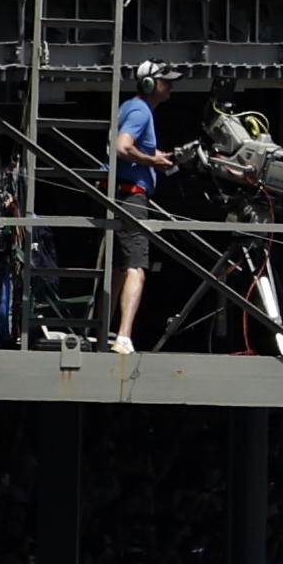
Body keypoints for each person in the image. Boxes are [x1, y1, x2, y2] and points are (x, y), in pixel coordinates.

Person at [109, 62, 167, 353]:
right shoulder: (140, 110)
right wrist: (152, 162)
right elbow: (123, 146)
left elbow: (136, 147)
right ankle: (123, 337)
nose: (170, 85)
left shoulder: (132, 107)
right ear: (149, 84)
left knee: (119, 267)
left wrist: (165, 157)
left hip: (119, 194)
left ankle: (103, 329)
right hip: (131, 197)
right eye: (165, 81)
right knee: (136, 267)